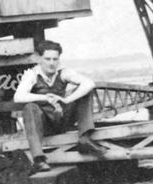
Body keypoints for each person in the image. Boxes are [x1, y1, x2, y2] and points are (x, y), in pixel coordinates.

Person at [13, 39, 107, 172]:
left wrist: (67, 100)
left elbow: (89, 83)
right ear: (39, 59)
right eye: (47, 59)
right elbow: (18, 97)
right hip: (45, 126)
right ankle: (39, 159)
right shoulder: (31, 74)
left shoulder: (63, 72)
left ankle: (84, 139)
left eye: (55, 59)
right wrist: (46, 98)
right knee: (29, 107)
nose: (52, 63)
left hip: (63, 119)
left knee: (84, 91)